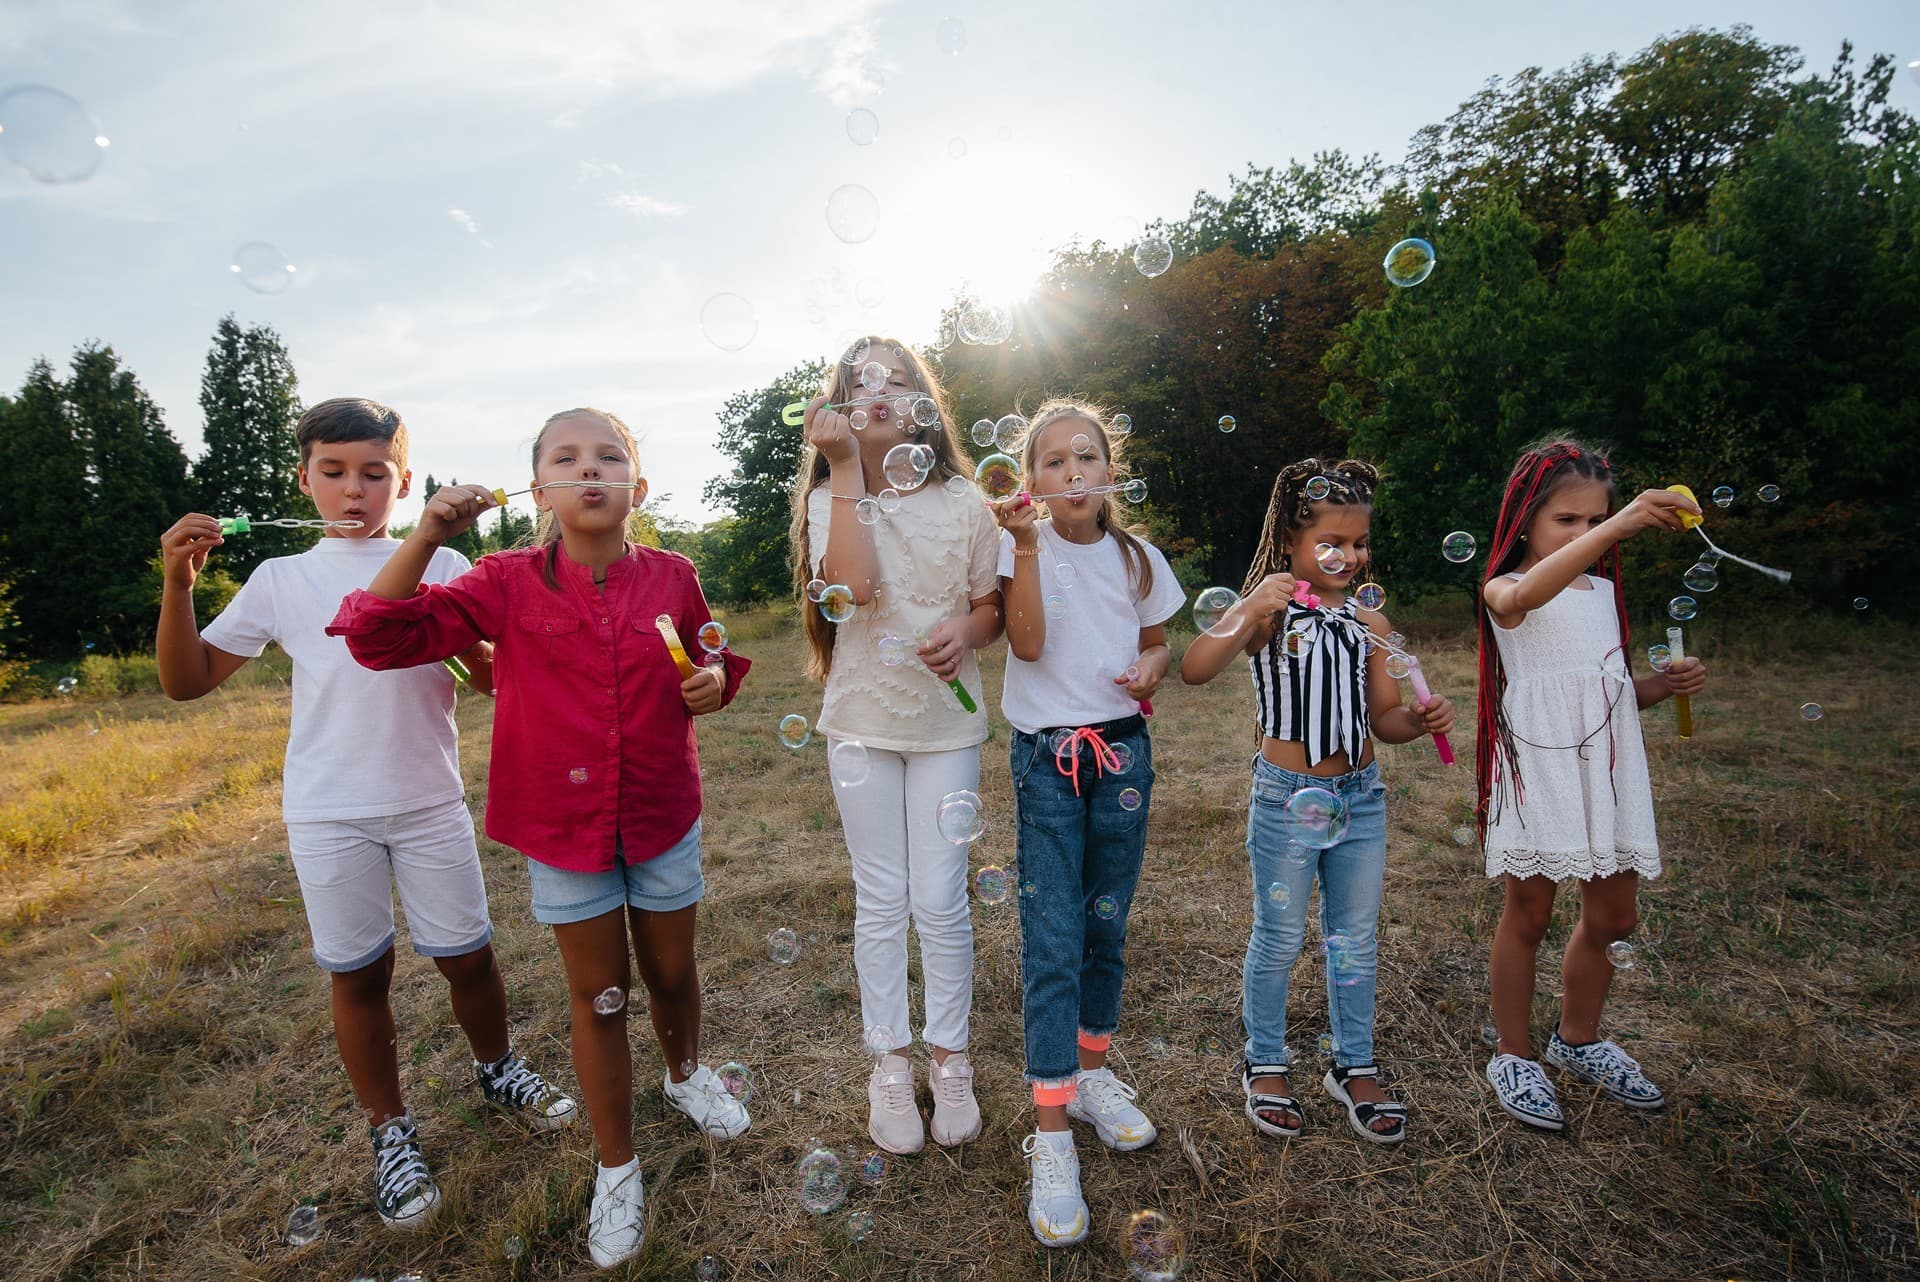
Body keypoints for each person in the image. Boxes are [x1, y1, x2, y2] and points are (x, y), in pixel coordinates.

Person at [327, 407, 748, 1267]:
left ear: (639, 483)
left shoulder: (673, 575)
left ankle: (683, 1075)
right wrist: (430, 528)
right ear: (539, 488)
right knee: (601, 996)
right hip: (564, 830)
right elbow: (375, 634)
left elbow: (711, 653)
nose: (589, 471)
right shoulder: (502, 580)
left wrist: (711, 680)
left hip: (663, 812)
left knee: (671, 972)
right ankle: (616, 1169)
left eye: (610, 457)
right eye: (567, 458)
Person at [156, 397, 572, 1233]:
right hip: (328, 812)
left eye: (374, 474)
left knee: (468, 959)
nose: (355, 490)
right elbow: (187, 679)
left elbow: (488, 679)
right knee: (359, 975)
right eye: (335, 472)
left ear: (403, 481)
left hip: (427, 800)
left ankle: (497, 1068)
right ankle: (391, 1131)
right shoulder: (281, 580)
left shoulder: (444, 565)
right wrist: (178, 585)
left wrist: (476, 645)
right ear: (304, 478)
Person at [1181, 458, 1453, 1145]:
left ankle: (1353, 1063)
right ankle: (1266, 1061)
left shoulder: (1372, 619)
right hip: (1286, 798)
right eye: (1333, 542)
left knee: (1354, 938)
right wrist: (1249, 606)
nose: (1350, 556)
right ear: (1291, 546)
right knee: (1279, 935)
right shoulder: (1270, 615)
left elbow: (1383, 720)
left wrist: (1416, 724)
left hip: (1360, 796)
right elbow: (1194, 669)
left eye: (1359, 543)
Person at [789, 336, 1001, 1154]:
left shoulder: (966, 502)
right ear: (838, 407)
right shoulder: (828, 499)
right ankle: (890, 1062)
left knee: (942, 898)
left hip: (945, 724)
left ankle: (952, 1059)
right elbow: (854, 592)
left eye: (899, 379)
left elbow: (987, 606)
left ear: (925, 406)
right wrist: (844, 469)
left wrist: (967, 628)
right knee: (881, 897)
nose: (879, 389)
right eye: (858, 381)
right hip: (864, 724)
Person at [988, 400, 1186, 1246]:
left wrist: (1152, 662)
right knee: (1054, 940)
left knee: (1108, 926)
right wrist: (1026, 547)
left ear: (1112, 470)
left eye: (1087, 458)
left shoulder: (1138, 556)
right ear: (1030, 482)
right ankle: (1053, 1132)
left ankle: (1094, 1075)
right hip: (1047, 763)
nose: (1073, 473)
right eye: (1054, 462)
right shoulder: (1015, 549)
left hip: (1123, 755)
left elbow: (1158, 642)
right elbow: (1027, 646)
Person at [1475, 440, 1707, 1131]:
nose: (1582, 534)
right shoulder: (1503, 585)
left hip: (1604, 767)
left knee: (1614, 919)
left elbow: (1602, 691)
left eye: (1593, 520)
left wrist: (1660, 687)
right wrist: (1618, 525)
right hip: (1540, 767)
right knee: (1531, 914)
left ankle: (1577, 1040)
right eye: (1565, 521)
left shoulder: (1602, 593)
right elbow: (1527, 596)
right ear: (1524, 520)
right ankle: (1513, 1054)